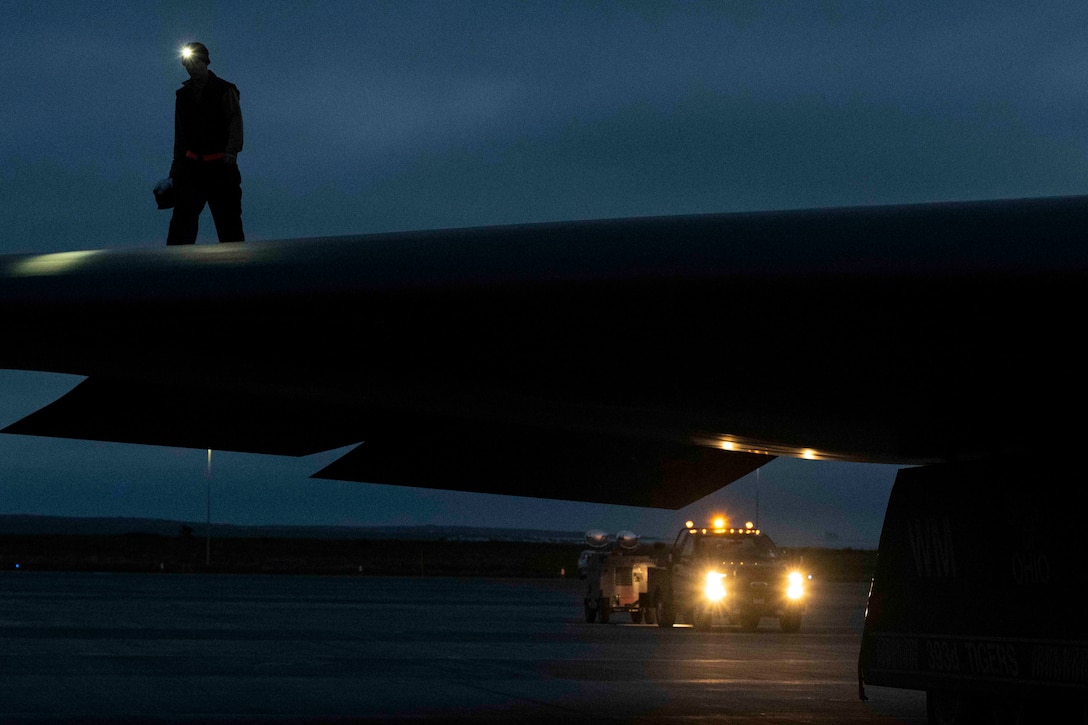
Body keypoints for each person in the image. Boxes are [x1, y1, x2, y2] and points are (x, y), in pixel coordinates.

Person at [166, 42, 245, 245]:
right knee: (180, 228)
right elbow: (180, 135)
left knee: (229, 227)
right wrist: (175, 170)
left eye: (194, 62)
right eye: (187, 64)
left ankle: (238, 270)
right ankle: (174, 272)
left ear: (205, 62)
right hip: (192, 169)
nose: (191, 67)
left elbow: (235, 121)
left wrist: (231, 152)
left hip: (221, 168)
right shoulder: (182, 96)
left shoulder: (224, 90)